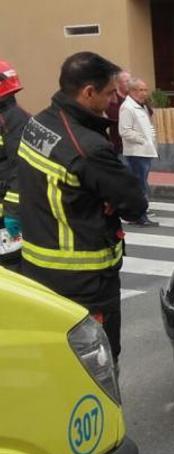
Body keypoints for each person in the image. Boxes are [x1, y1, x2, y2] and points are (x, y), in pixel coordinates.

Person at [16, 52, 147, 365]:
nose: (115, 98)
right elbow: (135, 204)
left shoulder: (37, 124)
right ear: (88, 92)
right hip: (86, 280)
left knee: (56, 360)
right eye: (109, 93)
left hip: (38, 269)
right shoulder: (87, 147)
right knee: (96, 361)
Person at [0, 59, 30, 270]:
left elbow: (19, 169)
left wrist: (12, 211)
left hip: (6, 215)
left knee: (10, 268)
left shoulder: (13, 120)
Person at [119, 77, 159, 227]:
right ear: (133, 91)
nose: (144, 93)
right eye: (141, 90)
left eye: (145, 90)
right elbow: (124, 131)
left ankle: (138, 215)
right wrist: (143, 140)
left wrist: (150, 139)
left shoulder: (140, 106)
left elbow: (147, 126)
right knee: (139, 185)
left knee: (141, 184)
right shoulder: (127, 107)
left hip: (145, 151)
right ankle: (140, 216)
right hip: (136, 153)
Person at [106, 70, 131, 159]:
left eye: (130, 81)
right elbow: (114, 117)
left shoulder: (133, 97)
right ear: (118, 83)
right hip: (120, 147)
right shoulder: (113, 99)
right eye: (126, 81)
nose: (130, 84)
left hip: (137, 147)